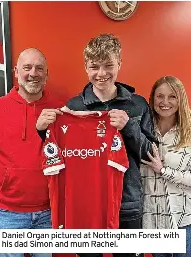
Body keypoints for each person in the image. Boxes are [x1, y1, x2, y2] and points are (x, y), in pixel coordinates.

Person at [36, 33, 156, 257]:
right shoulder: (73, 106)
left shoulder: (138, 105)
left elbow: (151, 154)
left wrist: (129, 127)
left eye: (109, 65)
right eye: (94, 67)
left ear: (119, 63)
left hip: (127, 205)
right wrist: (43, 131)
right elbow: (61, 154)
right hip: (86, 206)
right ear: (86, 67)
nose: (101, 74)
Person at [0, 48, 63, 257]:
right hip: (7, 214)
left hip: (47, 214)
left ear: (47, 74)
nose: (33, 73)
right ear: (16, 72)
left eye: (39, 68)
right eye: (27, 67)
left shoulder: (60, 110)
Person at [141, 76, 191, 256]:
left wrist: (163, 170)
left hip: (183, 221)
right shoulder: (142, 129)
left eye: (172, 97)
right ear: (152, 98)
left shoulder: (189, 131)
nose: (165, 102)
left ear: (180, 99)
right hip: (153, 220)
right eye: (160, 96)